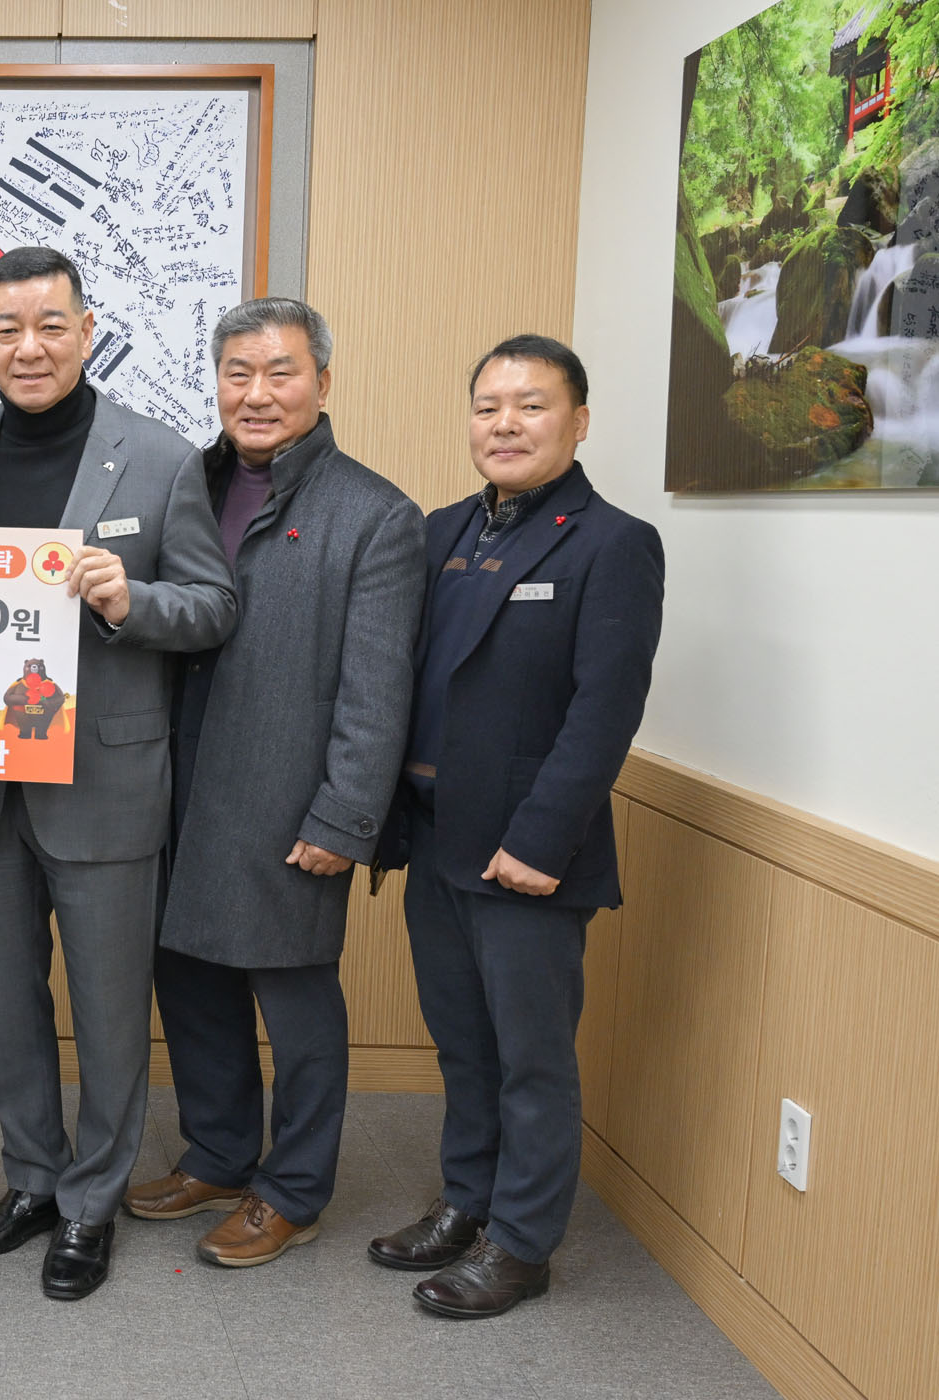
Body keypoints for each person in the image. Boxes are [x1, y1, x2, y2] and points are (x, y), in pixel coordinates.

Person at [0, 246, 236, 1300]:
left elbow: (214, 606)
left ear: (88, 332)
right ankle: (33, 1178)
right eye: (8, 329)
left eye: (51, 325)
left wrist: (132, 600)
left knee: (107, 1007)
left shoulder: (162, 456)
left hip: (106, 781)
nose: (30, 346)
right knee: (6, 1001)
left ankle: (93, 1200)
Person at [369, 334, 664, 1318]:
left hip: (526, 852)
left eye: (531, 405)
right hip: (435, 837)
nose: (505, 423)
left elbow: (604, 712)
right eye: (488, 405)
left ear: (578, 421)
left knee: (532, 1059)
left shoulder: (612, 543)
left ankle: (523, 1243)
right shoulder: (442, 531)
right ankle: (468, 1200)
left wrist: (541, 843)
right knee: (463, 1045)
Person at [130, 298, 424, 1267]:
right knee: (190, 982)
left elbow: (377, 689)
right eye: (238, 373)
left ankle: (293, 1188)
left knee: (296, 1005)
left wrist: (344, 816)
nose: (257, 394)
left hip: (287, 799)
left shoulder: (375, 515)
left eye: (281, 372)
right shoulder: (185, 481)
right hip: (173, 787)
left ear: (322, 383)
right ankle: (219, 1154)